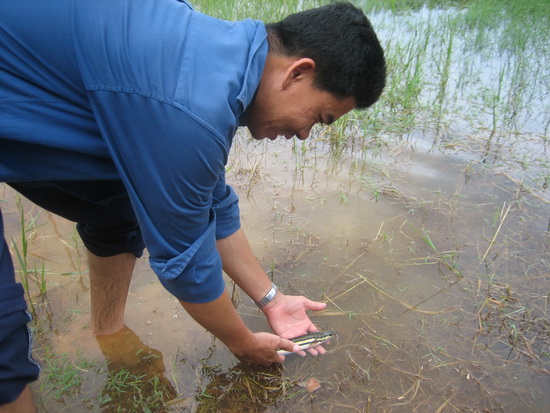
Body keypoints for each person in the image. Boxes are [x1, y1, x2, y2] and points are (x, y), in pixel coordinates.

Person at [0, 0, 386, 410]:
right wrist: (242, 342)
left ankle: (108, 333)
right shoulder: (189, 106)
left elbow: (210, 202)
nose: (306, 134)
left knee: (118, 202)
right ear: (298, 72)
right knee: (3, 340)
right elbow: (186, 265)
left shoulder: (215, 63)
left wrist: (271, 299)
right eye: (319, 117)